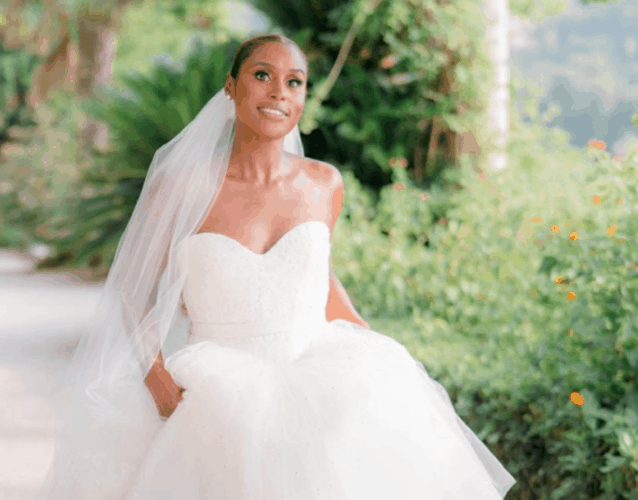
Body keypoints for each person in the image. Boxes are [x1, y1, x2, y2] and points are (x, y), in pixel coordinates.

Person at [38, 34, 517, 499]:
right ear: (231, 87)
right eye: (262, 75)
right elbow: (133, 286)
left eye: (294, 82)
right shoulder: (182, 186)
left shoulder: (324, 183)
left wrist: (373, 346)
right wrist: (156, 376)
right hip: (215, 394)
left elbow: (319, 277)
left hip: (319, 377)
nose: (278, 93)